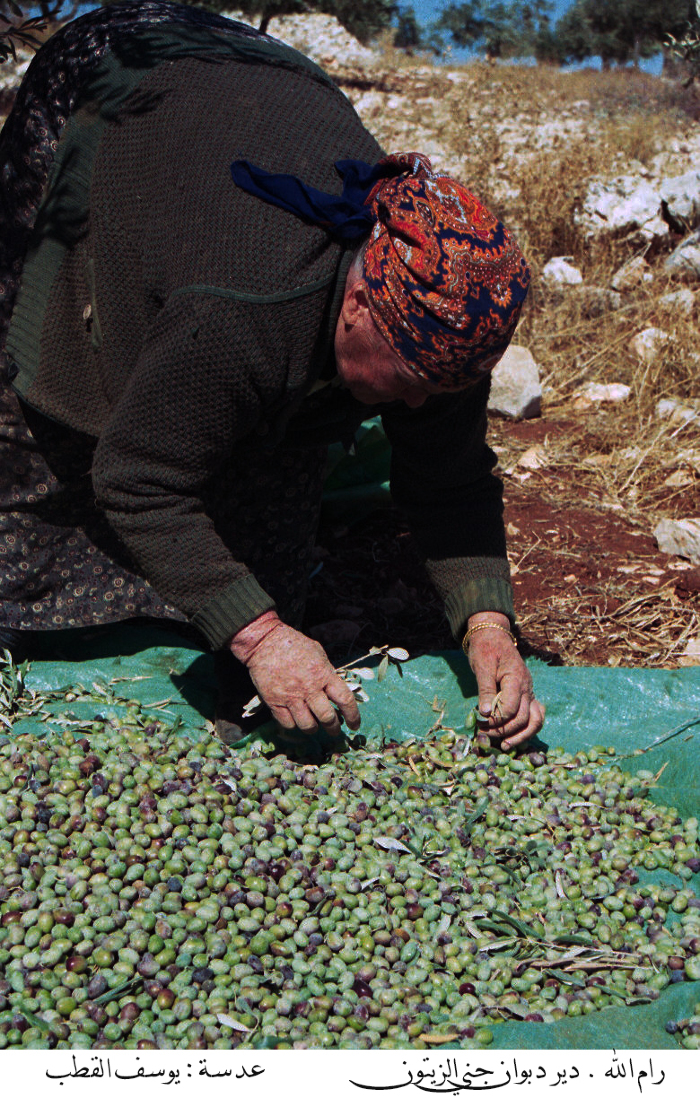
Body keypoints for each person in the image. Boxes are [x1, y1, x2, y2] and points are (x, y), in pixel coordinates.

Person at [0, 1, 544, 748]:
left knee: (272, 481)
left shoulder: (443, 332)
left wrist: (487, 624)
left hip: (269, 91)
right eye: (410, 376)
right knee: (50, 389)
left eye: (435, 387)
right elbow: (135, 477)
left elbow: (451, 478)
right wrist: (259, 638)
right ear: (356, 301)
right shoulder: (241, 305)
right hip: (116, 79)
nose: (418, 402)